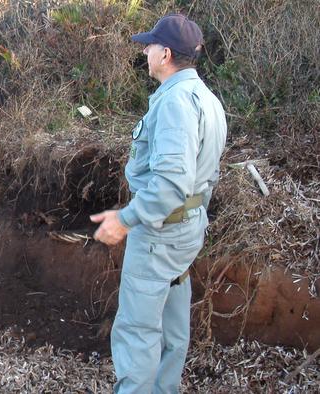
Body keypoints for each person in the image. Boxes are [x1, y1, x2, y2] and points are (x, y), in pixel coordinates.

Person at [89, 14, 227, 393]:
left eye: (149, 46)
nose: (145, 51)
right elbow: (206, 175)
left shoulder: (176, 103)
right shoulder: (206, 99)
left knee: (137, 332)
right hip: (186, 229)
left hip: (159, 235)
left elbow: (170, 183)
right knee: (171, 328)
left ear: (165, 54)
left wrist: (126, 219)